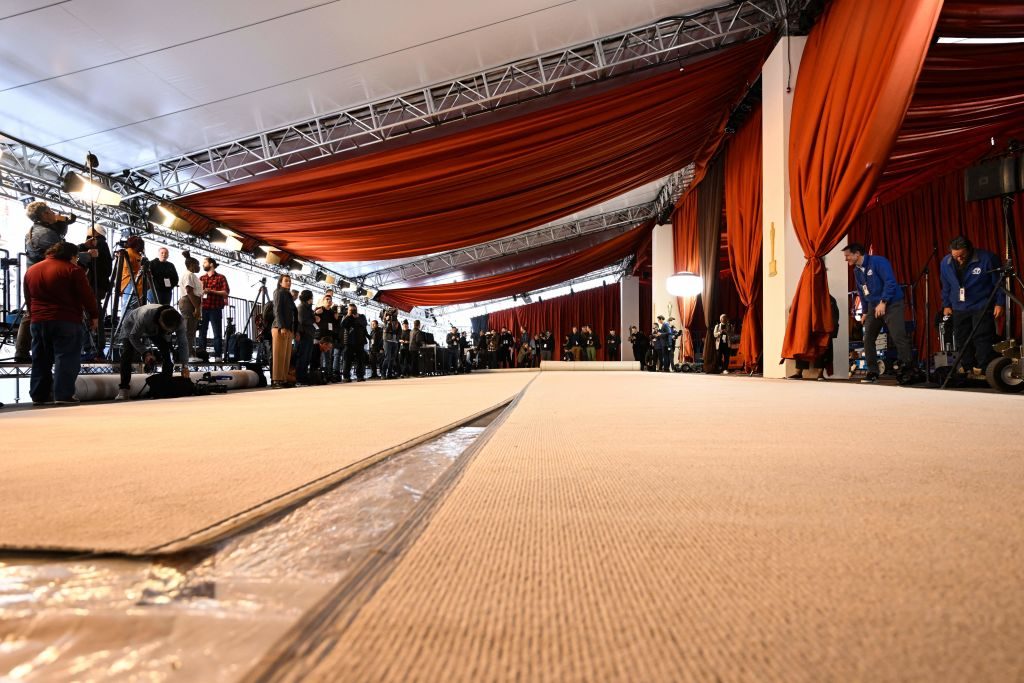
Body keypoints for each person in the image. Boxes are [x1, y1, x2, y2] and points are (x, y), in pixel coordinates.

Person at [23, 241, 99, 406]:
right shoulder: (73, 270)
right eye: (76, 257)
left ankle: (39, 396)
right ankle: (63, 395)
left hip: (38, 321)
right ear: (71, 256)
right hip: (66, 320)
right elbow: (87, 296)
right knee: (66, 358)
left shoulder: (31, 270)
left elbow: (28, 298)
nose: (76, 260)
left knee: (40, 359)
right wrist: (94, 315)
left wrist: (33, 314)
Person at [843, 243, 913, 384]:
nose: (846, 259)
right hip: (873, 306)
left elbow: (890, 282)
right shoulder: (857, 271)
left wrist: (884, 301)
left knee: (898, 335)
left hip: (891, 303)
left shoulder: (879, 262)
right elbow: (862, 292)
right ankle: (873, 371)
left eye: (847, 255)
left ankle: (908, 370)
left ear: (857, 254)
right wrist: (864, 312)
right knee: (868, 338)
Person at [15, 202, 75, 362]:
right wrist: (84, 252)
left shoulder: (38, 231)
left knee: (33, 312)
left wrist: (62, 221)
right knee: (36, 313)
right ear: (44, 215)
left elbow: (59, 240)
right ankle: (25, 352)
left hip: (36, 276)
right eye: (50, 210)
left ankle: (22, 352)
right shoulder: (45, 234)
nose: (53, 212)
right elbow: (62, 252)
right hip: (44, 277)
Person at [940, 235, 1004, 377]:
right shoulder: (946, 262)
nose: (959, 259)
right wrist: (946, 304)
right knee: (962, 338)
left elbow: (999, 283)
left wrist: (999, 303)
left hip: (981, 304)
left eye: (962, 255)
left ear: (969, 250)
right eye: (955, 256)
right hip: (959, 307)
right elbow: (946, 286)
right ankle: (967, 366)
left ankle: (984, 368)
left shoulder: (987, 259)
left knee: (982, 338)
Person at [114, 304, 190, 400]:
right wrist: (145, 353)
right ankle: (123, 389)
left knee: (166, 353)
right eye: (167, 330)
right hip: (132, 325)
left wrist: (185, 366)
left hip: (155, 329)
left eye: (170, 331)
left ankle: (165, 386)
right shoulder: (146, 316)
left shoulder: (180, 321)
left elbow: (183, 343)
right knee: (127, 353)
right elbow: (133, 337)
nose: (168, 332)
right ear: (160, 321)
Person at [199, 257, 230, 361]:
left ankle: (218, 355)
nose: (203, 264)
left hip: (215, 309)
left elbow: (225, 293)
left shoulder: (221, 277)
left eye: (205, 262)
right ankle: (202, 355)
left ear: (211, 264)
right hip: (203, 308)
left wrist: (211, 291)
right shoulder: (201, 278)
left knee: (217, 333)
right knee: (202, 333)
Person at [270, 273, 297, 388]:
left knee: (286, 356)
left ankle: (283, 379)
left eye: (289, 280)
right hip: (279, 327)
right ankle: (276, 380)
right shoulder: (278, 292)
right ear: (280, 282)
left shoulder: (288, 295)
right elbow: (277, 310)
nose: (289, 282)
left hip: (288, 328)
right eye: (286, 280)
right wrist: (281, 327)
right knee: (279, 355)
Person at [340, 303, 369, 382]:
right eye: (351, 310)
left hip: (360, 341)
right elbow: (343, 325)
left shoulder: (362, 316)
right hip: (349, 342)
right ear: (348, 310)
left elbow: (364, 324)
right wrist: (349, 316)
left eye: (354, 310)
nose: (353, 311)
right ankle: (346, 377)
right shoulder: (346, 317)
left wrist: (356, 318)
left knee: (360, 360)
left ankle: (360, 376)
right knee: (347, 360)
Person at [119, 235, 146, 313]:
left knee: (132, 307)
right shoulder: (129, 253)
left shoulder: (134, 253)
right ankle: (125, 324)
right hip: (131, 283)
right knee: (129, 307)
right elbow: (131, 269)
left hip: (134, 283)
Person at [295, 290, 316, 386]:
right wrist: (314, 319)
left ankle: (303, 378)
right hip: (304, 335)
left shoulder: (307, 308)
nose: (312, 299)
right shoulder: (301, 307)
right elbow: (302, 320)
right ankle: (299, 379)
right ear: (308, 298)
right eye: (311, 297)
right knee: (302, 358)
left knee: (307, 358)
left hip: (309, 335)